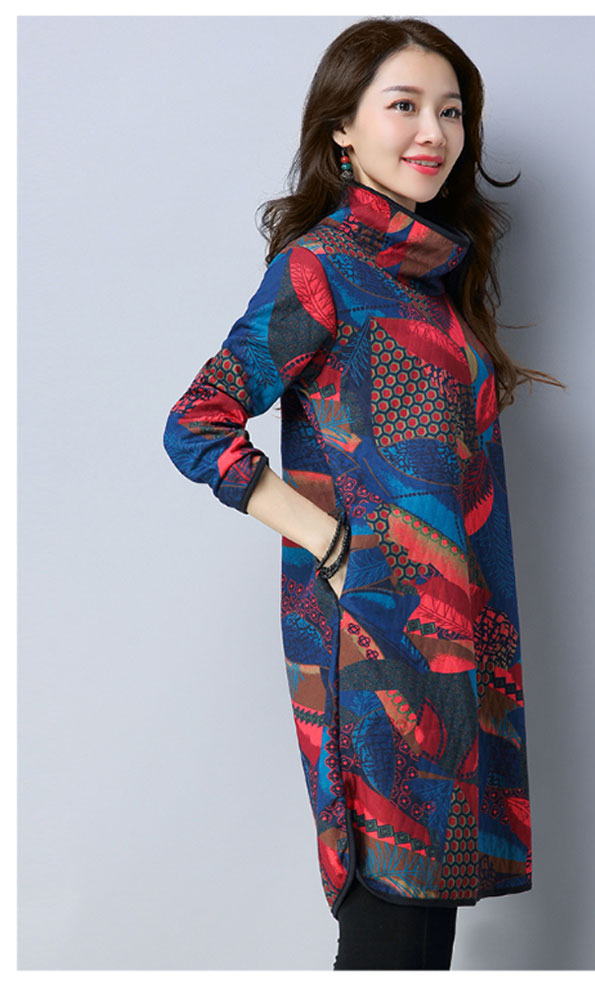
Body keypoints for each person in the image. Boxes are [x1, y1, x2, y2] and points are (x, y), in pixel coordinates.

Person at [162, 16, 565, 971]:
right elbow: (197, 422)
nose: (434, 132)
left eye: (452, 112)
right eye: (405, 105)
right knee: (393, 937)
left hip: (456, 645)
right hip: (380, 649)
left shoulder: (429, 275)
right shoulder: (324, 266)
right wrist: (334, 545)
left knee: (422, 944)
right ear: (343, 127)